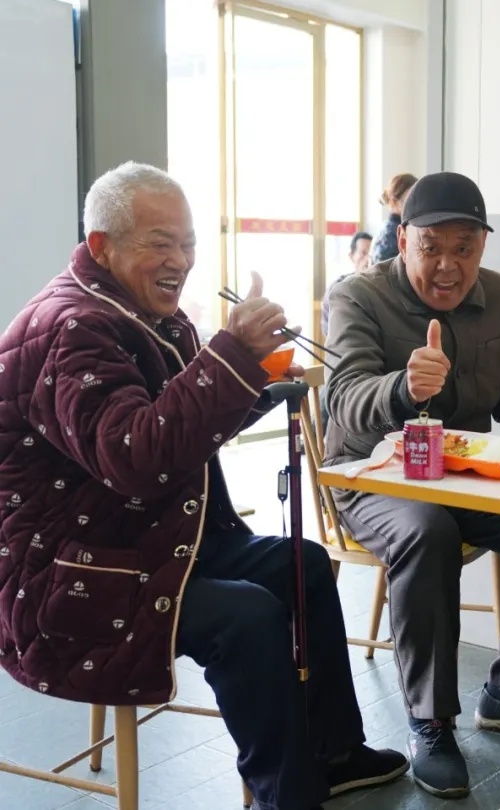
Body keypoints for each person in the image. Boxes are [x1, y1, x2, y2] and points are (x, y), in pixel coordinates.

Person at [0, 162, 407, 810]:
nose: (181, 260)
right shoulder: (69, 328)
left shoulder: (142, 314)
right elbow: (136, 457)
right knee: (247, 617)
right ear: (103, 247)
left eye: (188, 243)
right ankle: (288, 795)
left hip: (144, 541)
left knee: (302, 563)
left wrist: (255, 380)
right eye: (160, 243)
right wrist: (232, 358)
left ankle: (335, 754)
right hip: (70, 574)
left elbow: (182, 428)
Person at [324, 171, 500, 799]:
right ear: (402, 239)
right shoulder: (357, 298)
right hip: (373, 479)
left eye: (464, 249)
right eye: (431, 247)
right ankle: (430, 722)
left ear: (482, 248)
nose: (447, 265)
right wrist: (405, 389)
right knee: (428, 531)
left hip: (467, 475)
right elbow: (346, 402)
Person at [320, 230, 372, 339]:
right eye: (363, 253)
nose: (368, 259)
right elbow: (330, 331)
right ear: (351, 256)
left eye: (371, 253)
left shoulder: (378, 287)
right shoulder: (338, 288)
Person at [368, 172, 417, 265]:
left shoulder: (393, 229)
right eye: (410, 200)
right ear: (394, 202)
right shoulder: (390, 234)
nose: (416, 205)